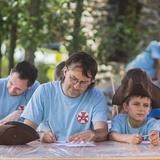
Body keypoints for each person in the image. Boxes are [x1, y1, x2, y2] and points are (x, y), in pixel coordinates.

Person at [21, 52, 108, 143]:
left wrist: (92, 134)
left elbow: (103, 131)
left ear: (91, 81)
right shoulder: (44, 91)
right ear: (65, 71)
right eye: (74, 79)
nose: (77, 86)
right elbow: (26, 130)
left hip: (83, 152)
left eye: (84, 82)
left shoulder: (96, 96)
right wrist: (41, 136)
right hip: (49, 152)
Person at [109, 69, 160, 146]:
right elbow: (111, 135)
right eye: (136, 104)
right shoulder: (119, 119)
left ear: (150, 109)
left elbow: (155, 132)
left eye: (146, 105)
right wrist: (127, 138)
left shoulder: (151, 122)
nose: (141, 109)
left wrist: (155, 136)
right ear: (125, 106)